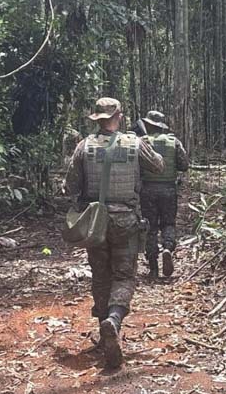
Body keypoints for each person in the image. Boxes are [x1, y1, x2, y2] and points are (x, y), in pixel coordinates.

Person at [62, 98, 164, 368]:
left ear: (96, 118)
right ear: (119, 115)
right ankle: (114, 321)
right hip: (126, 219)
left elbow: (70, 186)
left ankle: (103, 330)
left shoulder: (83, 146)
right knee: (124, 274)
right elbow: (159, 166)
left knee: (101, 274)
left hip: (96, 221)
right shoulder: (134, 143)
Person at [139, 111, 190, 278]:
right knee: (168, 223)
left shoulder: (142, 142)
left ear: (149, 125)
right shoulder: (173, 141)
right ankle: (167, 248)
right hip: (168, 189)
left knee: (150, 227)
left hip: (148, 190)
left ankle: (153, 267)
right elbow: (184, 165)